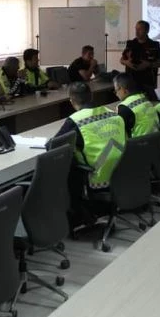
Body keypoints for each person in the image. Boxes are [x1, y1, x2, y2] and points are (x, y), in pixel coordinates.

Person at [53, 83, 126, 228]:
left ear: (71, 101)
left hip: (97, 177)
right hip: (122, 172)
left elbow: (54, 145)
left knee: (66, 166)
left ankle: (77, 217)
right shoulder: (113, 113)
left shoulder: (76, 120)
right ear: (91, 96)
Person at [120, 20, 160, 96]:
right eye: (136, 29)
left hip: (148, 82)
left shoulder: (154, 45)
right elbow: (121, 60)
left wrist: (148, 64)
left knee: (149, 101)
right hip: (131, 82)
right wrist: (127, 63)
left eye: (140, 29)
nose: (136, 32)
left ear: (147, 31)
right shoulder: (130, 43)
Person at [113, 73, 160, 137]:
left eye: (116, 90)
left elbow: (118, 131)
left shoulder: (123, 107)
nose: (116, 94)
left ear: (123, 89)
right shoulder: (144, 99)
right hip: (156, 138)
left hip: (138, 142)